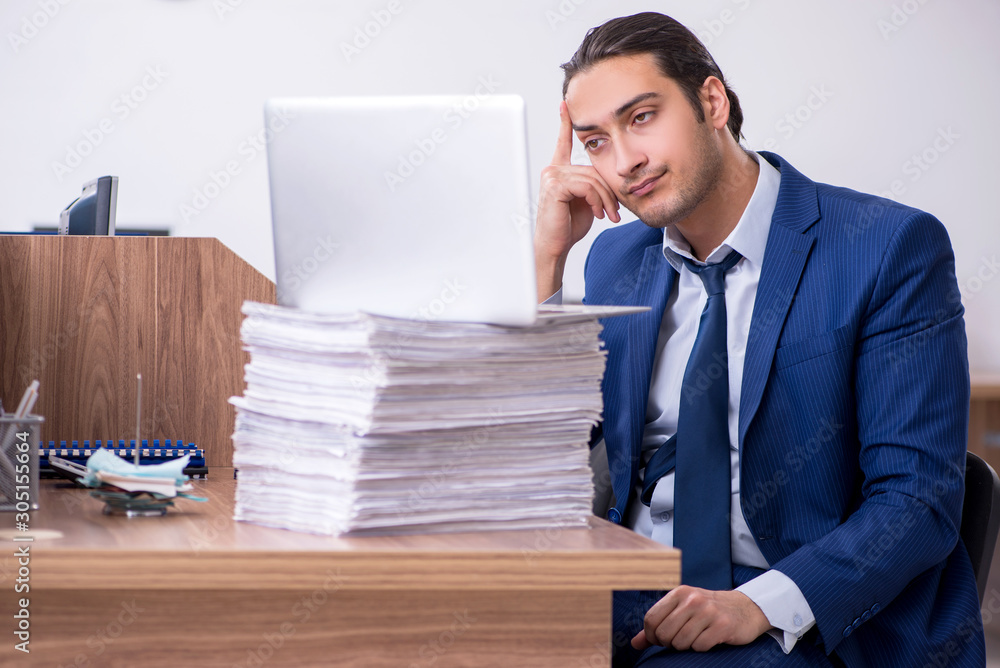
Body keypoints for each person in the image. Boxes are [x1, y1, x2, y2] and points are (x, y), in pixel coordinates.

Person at [534, 12, 985, 668]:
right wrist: (546, 263)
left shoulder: (886, 248)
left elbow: (918, 499)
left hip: (796, 612)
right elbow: (545, 453)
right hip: (629, 591)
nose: (625, 161)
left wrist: (757, 605)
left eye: (642, 118)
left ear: (712, 102)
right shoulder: (616, 258)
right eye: (596, 141)